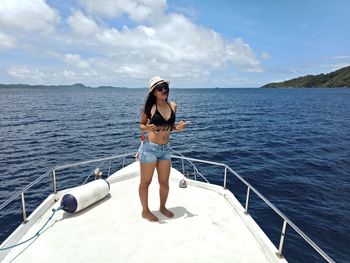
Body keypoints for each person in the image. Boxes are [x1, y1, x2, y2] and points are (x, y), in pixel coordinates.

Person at [138, 76, 187, 222]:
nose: (164, 90)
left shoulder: (173, 106)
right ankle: (145, 211)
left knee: (164, 182)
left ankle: (162, 207)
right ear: (153, 92)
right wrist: (146, 127)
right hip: (150, 149)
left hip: (165, 149)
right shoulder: (150, 108)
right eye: (160, 88)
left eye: (166, 87)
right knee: (145, 182)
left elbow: (170, 127)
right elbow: (141, 125)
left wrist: (179, 128)